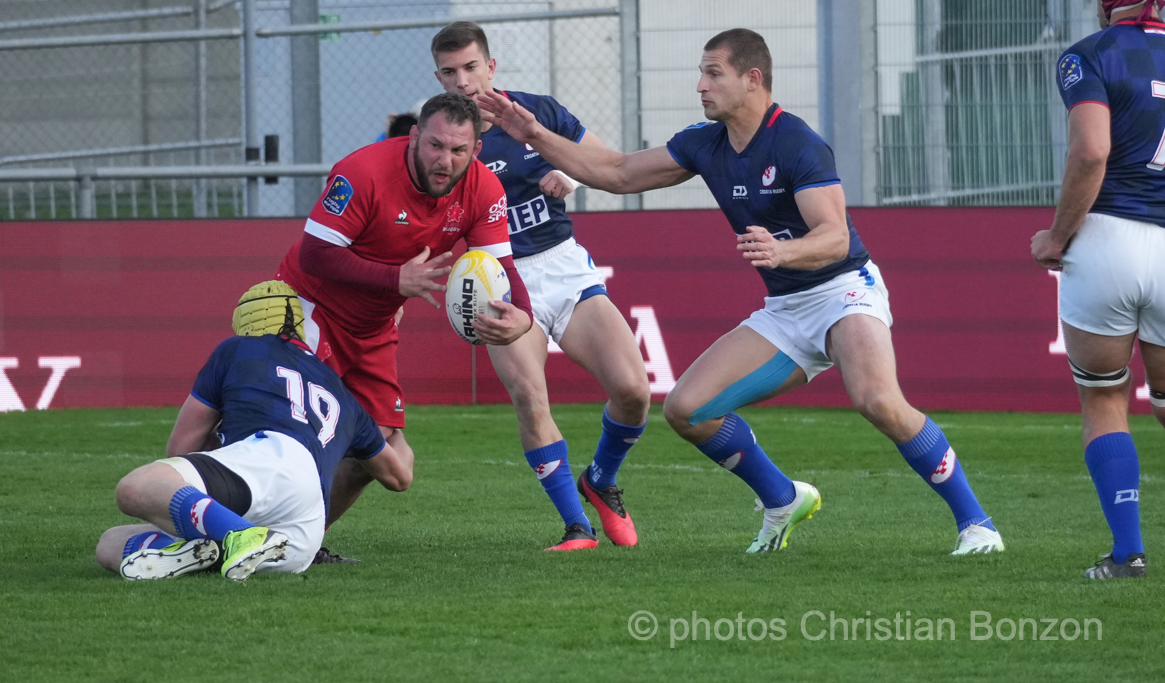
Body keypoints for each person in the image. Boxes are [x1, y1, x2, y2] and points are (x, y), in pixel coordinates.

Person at [480, 28, 1005, 555]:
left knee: (878, 400)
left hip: (844, 291)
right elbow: (617, 173)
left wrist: (784, 252)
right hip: (786, 307)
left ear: (752, 79)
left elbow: (835, 237)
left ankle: (977, 524)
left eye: (713, 74)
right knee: (686, 410)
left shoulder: (796, 142)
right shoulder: (706, 142)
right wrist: (534, 133)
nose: (700, 86)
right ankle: (782, 499)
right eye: (701, 73)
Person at [276, 92, 534, 560]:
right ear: (414, 137)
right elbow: (315, 253)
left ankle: (294, 540)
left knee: (388, 461)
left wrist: (523, 318)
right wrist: (396, 279)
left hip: (372, 330)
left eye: (458, 151)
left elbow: (504, 270)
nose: (445, 160)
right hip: (308, 310)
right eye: (435, 145)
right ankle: (211, 510)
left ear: (476, 151)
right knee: (288, 433)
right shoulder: (363, 171)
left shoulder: (482, 189)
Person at [431, 21, 650, 551]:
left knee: (634, 392)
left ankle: (600, 480)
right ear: (438, 76)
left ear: (491, 66)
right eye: (449, 72)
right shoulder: (440, 141)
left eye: (471, 67)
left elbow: (604, 162)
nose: (462, 81)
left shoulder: (535, 113)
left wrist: (571, 176)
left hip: (563, 266)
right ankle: (578, 527)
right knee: (531, 397)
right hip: (498, 279)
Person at [95, 281, 409, 581]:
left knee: (135, 488)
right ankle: (208, 547)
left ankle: (239, 535)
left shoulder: (238, 350)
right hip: (303, 535)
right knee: (110, 544)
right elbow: (399, 477)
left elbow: (180, 447)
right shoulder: (342, 393)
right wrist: (395, 427)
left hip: (268, 464)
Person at [1031, 0, 1165, 579]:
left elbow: (1091, 150)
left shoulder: (1091, 53)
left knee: (1105, 398)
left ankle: (1126, 553)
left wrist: (1057, 237)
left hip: (1107, 237)